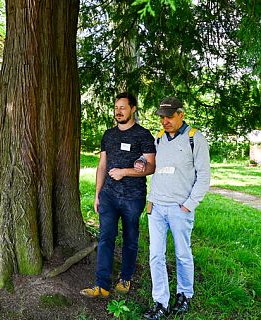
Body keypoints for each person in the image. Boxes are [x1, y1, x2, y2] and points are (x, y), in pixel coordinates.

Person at [80, 92, 156, 298]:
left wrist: (125, 172)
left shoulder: (143, 135)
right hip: (109, 196)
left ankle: (125, 277)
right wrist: (97, 194)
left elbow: (151, 167)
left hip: (133, 197)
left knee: (130, 238)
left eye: (123, 107)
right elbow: (102, 165)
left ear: (133, 109)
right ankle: (102, 285)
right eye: (116, 108)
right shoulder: (109, 135)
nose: (118, 111)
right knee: (105, 238)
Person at [142, 97, 210, 319]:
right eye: (162, 117)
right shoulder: (159, 138)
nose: (165, 121)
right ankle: (161, 302)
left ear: (181, 114)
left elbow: (204, 177)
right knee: (155, 255)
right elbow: (154, 166)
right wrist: (141, 163)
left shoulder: (195, 138)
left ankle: (184, 295)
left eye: (169, 116)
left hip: (180, 209)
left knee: (182, 254)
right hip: (157, 208)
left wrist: (189, 205)